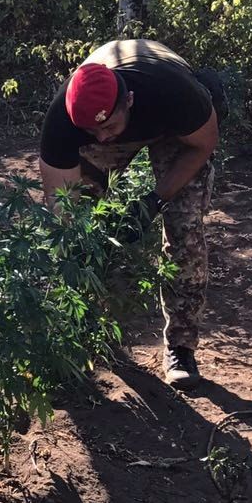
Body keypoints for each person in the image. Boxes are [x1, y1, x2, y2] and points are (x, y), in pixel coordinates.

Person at [38, 39, 224, 390]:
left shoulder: (174, 92)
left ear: (129, 101)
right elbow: (61, 209)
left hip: (174, 132)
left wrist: (154, 201)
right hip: (111, 115)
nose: (103, 137)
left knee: (185, 231)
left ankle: (181, 347)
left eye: (107, 126)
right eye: (93, 131)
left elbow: (203, 143)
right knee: (80, 233)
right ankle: (87, 328)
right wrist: (82, 242)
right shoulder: (64, 122)